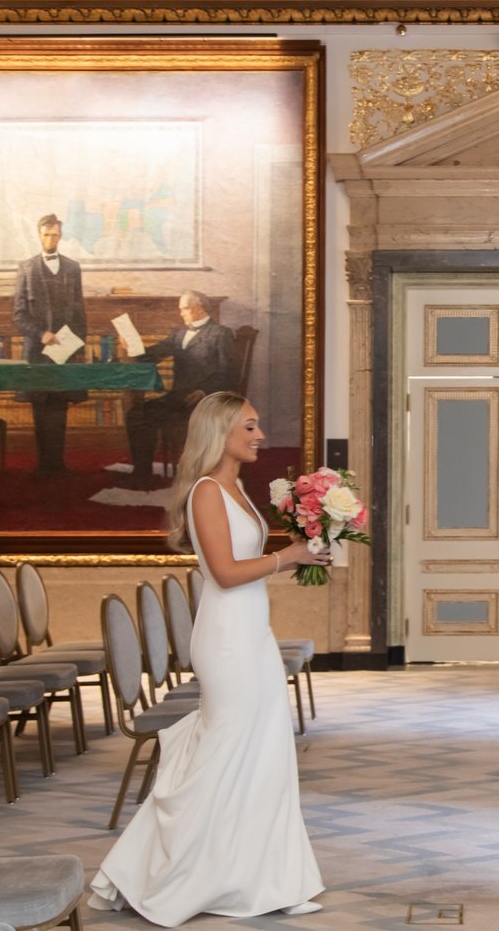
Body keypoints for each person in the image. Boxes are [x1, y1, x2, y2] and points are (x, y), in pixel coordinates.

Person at [89, 391, 326, 925]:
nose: (259, 435)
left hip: (251, 632)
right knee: (227, 751)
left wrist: (301, 555)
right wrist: (283, 556)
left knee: (262, 753)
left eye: (257, 425)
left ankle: (257, 877)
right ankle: (164, 876)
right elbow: (223, 573)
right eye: (250, 426)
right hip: (226, 639)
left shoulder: (235, 488)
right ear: (220, 431)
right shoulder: (204, 493)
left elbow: (249, 563)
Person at [121, 290, 237, 488]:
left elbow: (229, 374)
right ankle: (141, 474)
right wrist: (131, 347)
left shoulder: (221, 333)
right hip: (178, 398)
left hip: (205, 400)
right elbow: (152, 354)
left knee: (145, 414)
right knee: (136, 414)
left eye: (184, 309)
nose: (181, 313)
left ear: (198, 308)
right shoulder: (179, 334)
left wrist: (203, 391)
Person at [12, 213, 87, 478]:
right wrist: (41, 333)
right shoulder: (27, 268)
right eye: (46, 234)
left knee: (60, 404)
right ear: (39, 235)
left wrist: (76, 345)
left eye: (55, 234)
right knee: (40, 404)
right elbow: (19, 314)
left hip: (65, 349)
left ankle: (58, 464)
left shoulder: (72, 268)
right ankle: (43, 465)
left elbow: (79, 312)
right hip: (37, 350)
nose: (51, 239)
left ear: (60, 236)